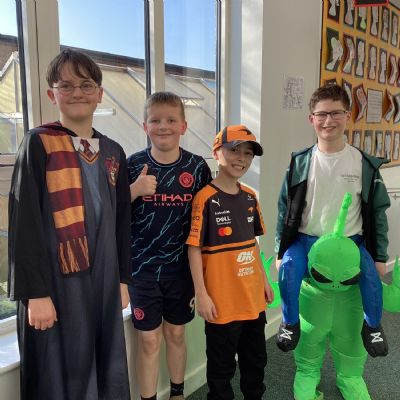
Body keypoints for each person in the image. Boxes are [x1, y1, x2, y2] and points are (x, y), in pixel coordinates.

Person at [8, 49, 131, 400]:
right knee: (58, 371)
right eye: (66, 85)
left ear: (100, 93)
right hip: (55, 283)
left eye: (86, 85)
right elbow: (24, 224)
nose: (77, 92)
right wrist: (35, 294)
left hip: (104, 277)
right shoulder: (38, 143)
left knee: (104, 363)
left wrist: (123, 279)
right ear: (52, 94)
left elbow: (123, 222)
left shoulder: (113, 152)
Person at [275, 84, 390, 358]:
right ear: (311, 118)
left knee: (371, 278)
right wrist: (280, 250)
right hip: (306, 240)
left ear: (347, 115)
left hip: (351, 242)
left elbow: (378, 213)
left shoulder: (364, 164)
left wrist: (380, 256)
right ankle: (290, 322)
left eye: (336, 113)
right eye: (322, 114)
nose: (329, 121)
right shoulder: (299, 163)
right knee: (288, 270)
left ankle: (373, 325)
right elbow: (283, 209)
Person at [127, 91, 212, 400]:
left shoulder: (197, 167)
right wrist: (134, 190)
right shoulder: (133, 165)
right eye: (155, 120)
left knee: (176, 333)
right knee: (149, 340)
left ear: (183, 126)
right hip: (142, 270)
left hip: (181, 270)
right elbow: (111, 215)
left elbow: (207, 222)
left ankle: (177, 393)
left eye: (171, 120)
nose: (163, 126)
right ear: (145, 126)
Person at [187, 125, 274, 400]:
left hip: (252, 300)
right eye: (234, 150)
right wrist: (201, 294)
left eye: (248, 153)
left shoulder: (250, 197)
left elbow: (252, 243)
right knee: (221, 369)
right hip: (221, 303)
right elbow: (193, 248)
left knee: (255, 363)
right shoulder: (204, 198)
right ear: (216, 153)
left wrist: (264, 280)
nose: (242, 158)